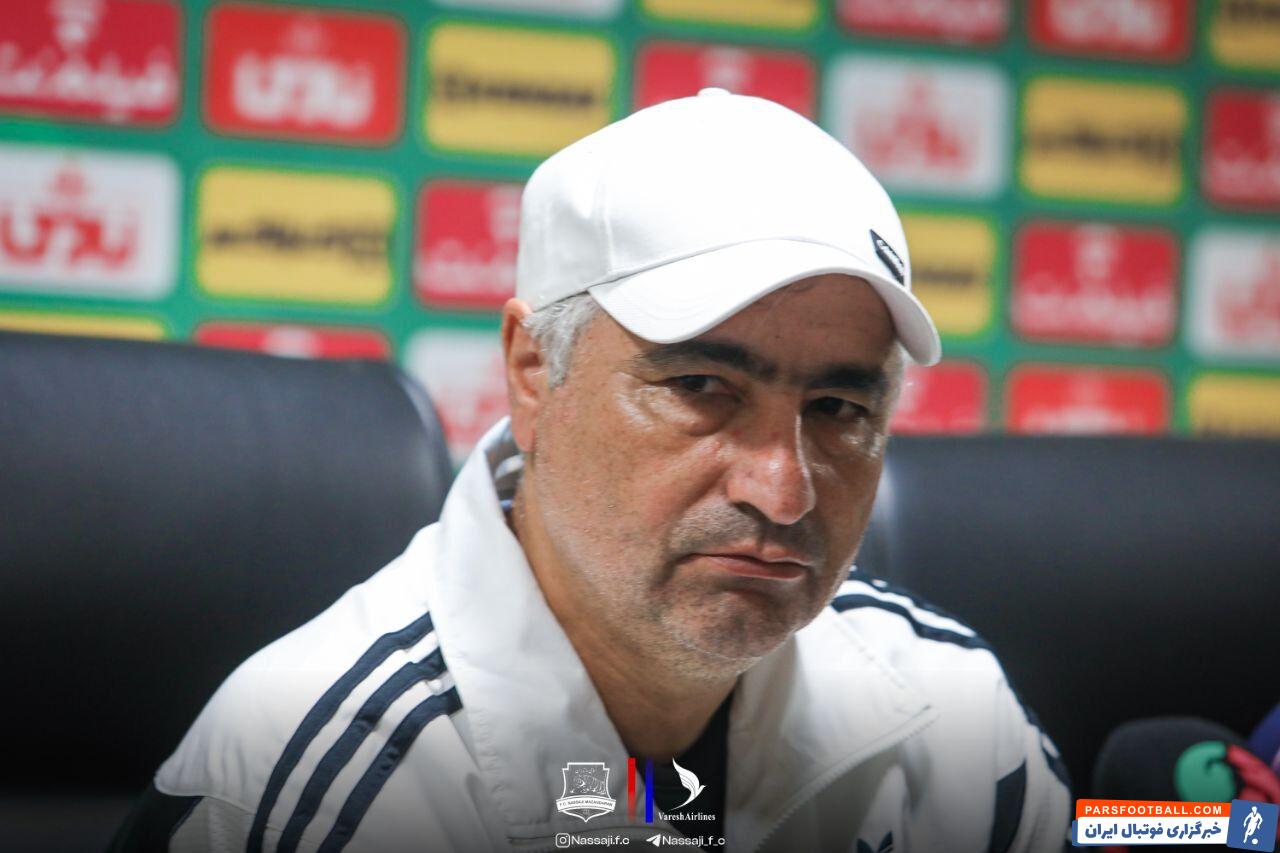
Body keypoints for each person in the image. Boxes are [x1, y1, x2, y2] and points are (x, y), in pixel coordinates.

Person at [111, 88, 1070, 853]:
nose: (783, 490)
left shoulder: (950, 712)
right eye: (700, 387)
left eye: (838, 409)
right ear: (535, 371)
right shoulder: (320, 782)